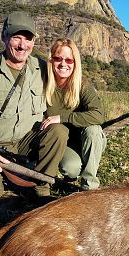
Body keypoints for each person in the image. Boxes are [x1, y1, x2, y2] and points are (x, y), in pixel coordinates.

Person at [0, 11, 69, 202]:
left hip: (26, 142)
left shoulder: (42, 68)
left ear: (34, 41)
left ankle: (41, 187)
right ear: (4, 37)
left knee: (58, 131)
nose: (22, 45)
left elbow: (70, 76)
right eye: (16, 37)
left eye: (28, 39)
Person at [40, 38, 106, 190]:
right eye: (58, 58)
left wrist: (62, 118)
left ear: (75, 63)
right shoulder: (42, 83)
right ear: (51, 60)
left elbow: (98, 115)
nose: (63, 64)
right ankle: (84, 161)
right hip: (64, 142)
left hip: (86, 138)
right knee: (71, 169)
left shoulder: (82, 86)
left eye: (69, 60)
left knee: (94, 129)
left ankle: (89, 186)